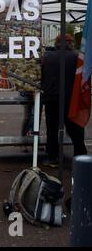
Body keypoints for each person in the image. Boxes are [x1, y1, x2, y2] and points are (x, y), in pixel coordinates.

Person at [41, 34, 87, 167]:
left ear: (56, 43)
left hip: (51, 98)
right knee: (75, 128)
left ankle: (52, 157)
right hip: (70, 98)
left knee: (52, 128)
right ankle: (80, 155)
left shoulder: (47, 57)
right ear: (69, 44)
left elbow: (42, 76)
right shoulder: (76, 57)